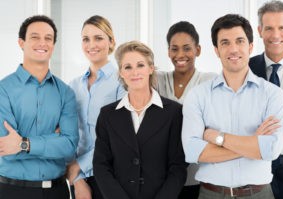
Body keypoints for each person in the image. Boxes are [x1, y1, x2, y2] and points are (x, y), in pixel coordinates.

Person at [182, 14, 283, 199]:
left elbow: (270, 150)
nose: (233, 49)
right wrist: (253, 144)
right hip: (211, 194)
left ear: (251, 46)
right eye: (225, 43)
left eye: (240, 41)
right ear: (216, 50)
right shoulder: (198, 96)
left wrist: (218, 138)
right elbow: (192, 152)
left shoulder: (273, 95)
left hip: (259, 194)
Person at [93, 41, 187, 199]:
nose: (134, 72)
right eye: (127, 67)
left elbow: (178, 168)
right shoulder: (107, 115)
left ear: (151, 68)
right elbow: (101, 166)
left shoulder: (174, 113)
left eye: (140, 65)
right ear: (121, 72)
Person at [0, 15, 78, 199]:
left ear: (53, 45)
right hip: (11, 192)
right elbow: (6, 149)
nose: (42, 43)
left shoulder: (66, 92)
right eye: (35, 37)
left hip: (56, 192)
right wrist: (53, 141)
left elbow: (69, 147)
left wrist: (23, 144)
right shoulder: (3, 90)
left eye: (48, 38)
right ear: (21, 42)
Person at [67, 15, 126, 199]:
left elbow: (119, 138)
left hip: (113, 176)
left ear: (111, 42)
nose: (91, 45)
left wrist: (79, 167)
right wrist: (78, 179)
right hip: (80, 179)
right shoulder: (74, 85)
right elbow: (69, 135)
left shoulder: (122, 83)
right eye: (86, 39)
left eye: (98, 38)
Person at [157, 21, 216, 198]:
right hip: (163, 177)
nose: (180, 54)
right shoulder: (157, 80)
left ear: (198, 50)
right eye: (174, 49)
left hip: (199, 179)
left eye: (186, 48)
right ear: (168, 51)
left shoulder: (209, 81)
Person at [249, 1, 283, 198]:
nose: (275, 35)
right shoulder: (247, 69)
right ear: (260, 31)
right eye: (269, 28)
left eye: (282, 28)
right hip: (255, 167)